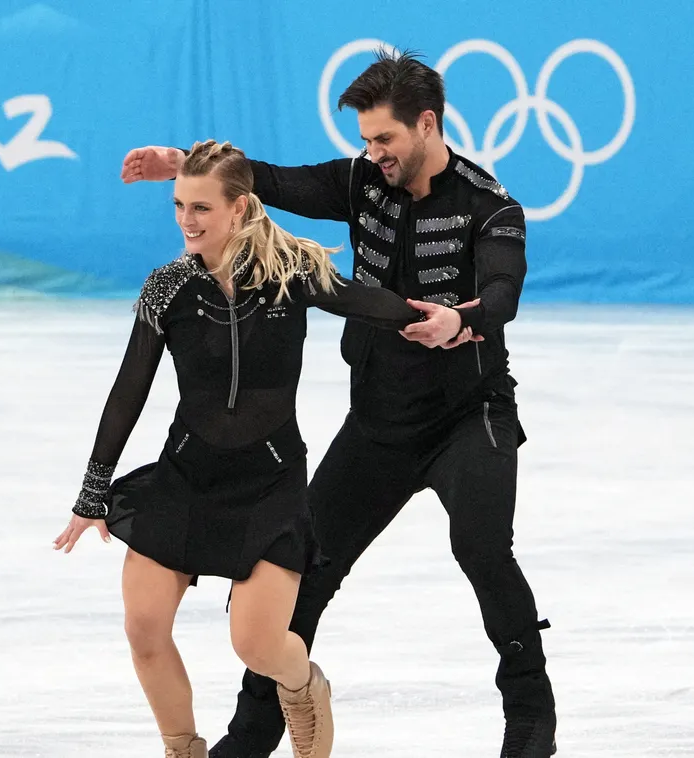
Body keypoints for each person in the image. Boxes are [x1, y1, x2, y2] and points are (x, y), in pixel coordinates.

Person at [120, 50, 558, 758]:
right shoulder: (362, 180)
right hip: (378, 422)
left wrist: (461, 319)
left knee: (480, 548)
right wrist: (184, 165)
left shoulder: (489, 205)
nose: (372, 153)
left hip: (466, 416)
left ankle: (530, 720)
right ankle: (253, 730)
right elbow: (273, 181)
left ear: (426, 123)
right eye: (364, 141)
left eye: (383, 139)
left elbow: (503, 294)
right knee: (305, 568)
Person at [53, 139, 425, 758]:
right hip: (186, 478)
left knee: (255, 644)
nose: (186, 221)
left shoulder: (290, 273)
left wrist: (435, 318)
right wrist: (93, 491)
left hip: (269, 484)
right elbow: (127, 392)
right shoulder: (166, 287)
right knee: (144, 627)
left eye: (201, 207)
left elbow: (361, 300)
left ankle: (304, 686)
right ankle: (183, 748)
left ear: (239, 208)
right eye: (178, 205)